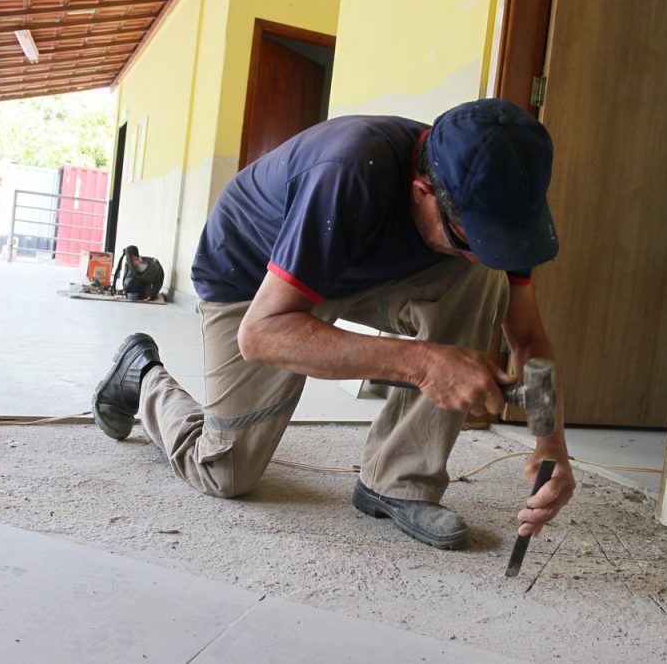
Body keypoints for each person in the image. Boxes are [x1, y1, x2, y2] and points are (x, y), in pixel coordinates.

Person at [92, 98, 576, 550]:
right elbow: (262, 333)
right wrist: (426, 364)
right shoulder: (348, 171)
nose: (486, 253)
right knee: (225, 472)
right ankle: (142, 377)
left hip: (363, 271)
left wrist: (550, 442)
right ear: (423, 191)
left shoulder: (496, 202)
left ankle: (397, 481)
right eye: (473, 241)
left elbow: (528, 335)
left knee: (482, 282)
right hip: (255, 283)